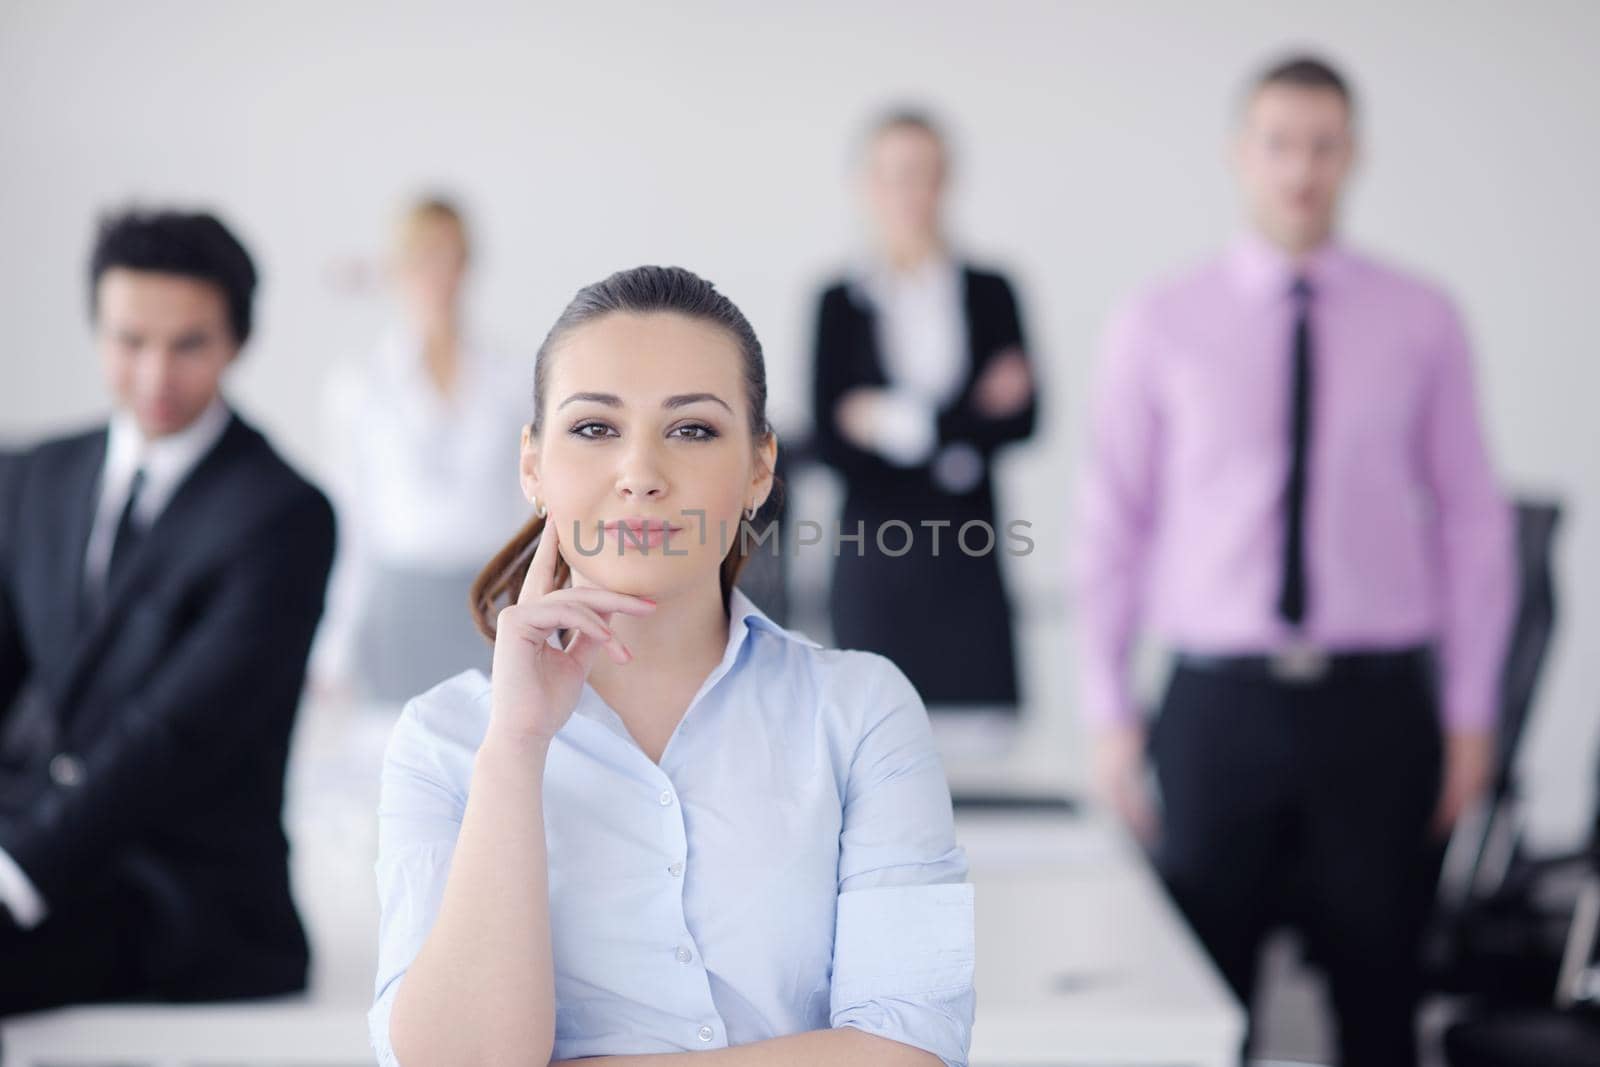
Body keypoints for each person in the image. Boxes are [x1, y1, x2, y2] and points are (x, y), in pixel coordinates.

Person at [369, 266, 974, 1066]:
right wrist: (516, 745)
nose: (642, 473)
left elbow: (912, 1051)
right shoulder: (446, 739)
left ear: (760, 468)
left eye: (692, 430)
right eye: (593, 429)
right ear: (533, 465)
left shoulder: (862, 710)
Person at [1076, 54, 1517, 1066]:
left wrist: (1469, 710)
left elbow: (1472, 520)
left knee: (1378, 1011)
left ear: (1352, 157)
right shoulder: (1160, 319)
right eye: (1279, 144)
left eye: (1323, 145)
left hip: (1376, 714)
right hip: (1214, 710)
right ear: (1241, 155)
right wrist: (1107, 710)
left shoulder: (1421, 316)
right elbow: (1111, 521)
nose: (1301, 169)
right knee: (1195, 1017)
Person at [0, 209, 335, 1012]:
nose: (155, 375)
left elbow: (175, 732)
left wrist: (14, 867)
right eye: (128, 341)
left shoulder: (284, 512)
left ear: (237, 341)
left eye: (188, 344)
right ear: (96, 330)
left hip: (179, 888)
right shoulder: (32, 476)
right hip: (30, 838)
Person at [811, 108, 1038, 712]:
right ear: (864, 186)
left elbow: (1024, 419)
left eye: (925, 173)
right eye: (893, 174)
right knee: (869, 737)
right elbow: (833, 445)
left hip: (971, 556)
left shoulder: (992, 291)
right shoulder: (837, 301)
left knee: (982, 750)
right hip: (875, 561)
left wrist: (890, 422)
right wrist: (961, 427)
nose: (910, 191)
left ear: (947, 181)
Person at [313, 195, 528, 704]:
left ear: (468, 264)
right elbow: (351, 519)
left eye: (448, 255)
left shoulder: (515, 381)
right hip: (398, 610)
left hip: (489, 603)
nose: (436, 273)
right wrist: (332, 646)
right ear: (396, 268)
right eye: (421, 256)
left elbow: (533, 509)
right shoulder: (360, 386)